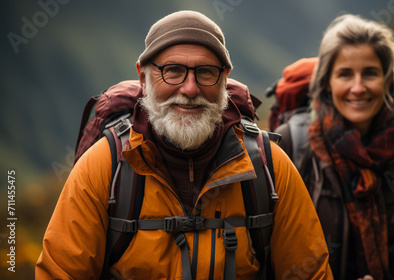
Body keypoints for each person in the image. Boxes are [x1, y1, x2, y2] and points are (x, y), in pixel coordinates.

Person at [35, 10, 333, 279]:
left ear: (224, 80)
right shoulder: (105, 166)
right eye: (173, 71)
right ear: (144, 77)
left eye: (205, 72)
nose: (190, 89)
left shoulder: (270, 167)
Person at [275, 14, 394, 280]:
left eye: (370, 73)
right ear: (327, 82)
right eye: (345, 74)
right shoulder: (290, 144)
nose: (358, 88)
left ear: (387, 79)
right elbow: (269, 256)